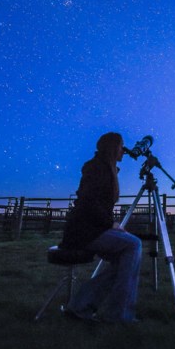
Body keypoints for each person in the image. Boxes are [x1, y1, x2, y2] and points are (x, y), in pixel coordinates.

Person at [59, 132, 143, 323]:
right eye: (122, 145)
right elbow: (88, 201)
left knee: (125, 259)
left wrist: (108, 224)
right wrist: (110, 224)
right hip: (82, 232)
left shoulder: (105, 168)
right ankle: (120, 316)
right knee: (133, 245)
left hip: (92, 229)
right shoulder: (96, 168)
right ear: (113, 148)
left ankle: (80, 306)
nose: (124, 150)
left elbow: (99, 204)